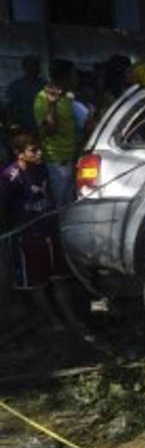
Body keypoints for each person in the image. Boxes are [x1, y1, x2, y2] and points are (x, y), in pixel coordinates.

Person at [0, 133, 87, 335]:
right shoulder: (9, 178)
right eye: (33, 150)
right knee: (37, 282)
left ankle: (71, 318)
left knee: (59, 277)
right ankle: (51, 318)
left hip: (49, 230)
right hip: (28, 237)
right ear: (19, 154)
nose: (39, 153)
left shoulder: (42, 170)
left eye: (39, 149)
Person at [32, 60, 79, 208]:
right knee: (61, 204)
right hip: (57, 160)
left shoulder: (67, 96)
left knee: (71, 201)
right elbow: (50, 131)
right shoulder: (42, 98)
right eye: (73, 75)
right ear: (64, 78)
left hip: (71, 156)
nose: (76, 79)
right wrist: (52, 104)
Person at [4, 56, 44, 132]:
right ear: (24, 67)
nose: (33, 69)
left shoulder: (44, 85)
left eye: (35, 65)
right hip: (22, 126)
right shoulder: (15, 85)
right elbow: (9, 106)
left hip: (40, 126)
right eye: (30, 66)